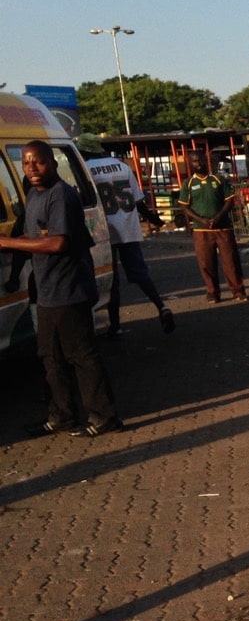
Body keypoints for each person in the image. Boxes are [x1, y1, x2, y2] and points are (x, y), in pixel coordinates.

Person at [0, 141, 122, 437]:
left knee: (80, 355)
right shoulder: (34, 194)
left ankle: (105, 416)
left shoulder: (61, 195)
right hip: (47, 291)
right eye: (27, 163)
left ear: (53, 163)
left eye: (39, 162)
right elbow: (35, 234)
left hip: (70, 290)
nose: (32, 169)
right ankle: (62, 415)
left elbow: (57, 242)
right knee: (50, 357)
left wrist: (5, 243)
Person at [83, 149, 175, 336]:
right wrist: (155, 220)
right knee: (140, 273)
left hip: (104, 230)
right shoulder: (122, 166)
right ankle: (161, 307)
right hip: (128, 228)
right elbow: (138, 201)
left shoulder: (87, 168)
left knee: (112, 280)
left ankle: (115, 326)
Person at [178, 153, 249, 302]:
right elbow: (185, 207)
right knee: (206, 262)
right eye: (195, 161)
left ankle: (238, 291)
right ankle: (212, 292)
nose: (199, 163)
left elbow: (229, 201)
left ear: (206, 161)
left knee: (231, 261)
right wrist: (200, 219)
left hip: (223, 228)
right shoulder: (188, 183)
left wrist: (218, 217)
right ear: (190, 164)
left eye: (201, 160)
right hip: (201, 229)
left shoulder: (218, 179)